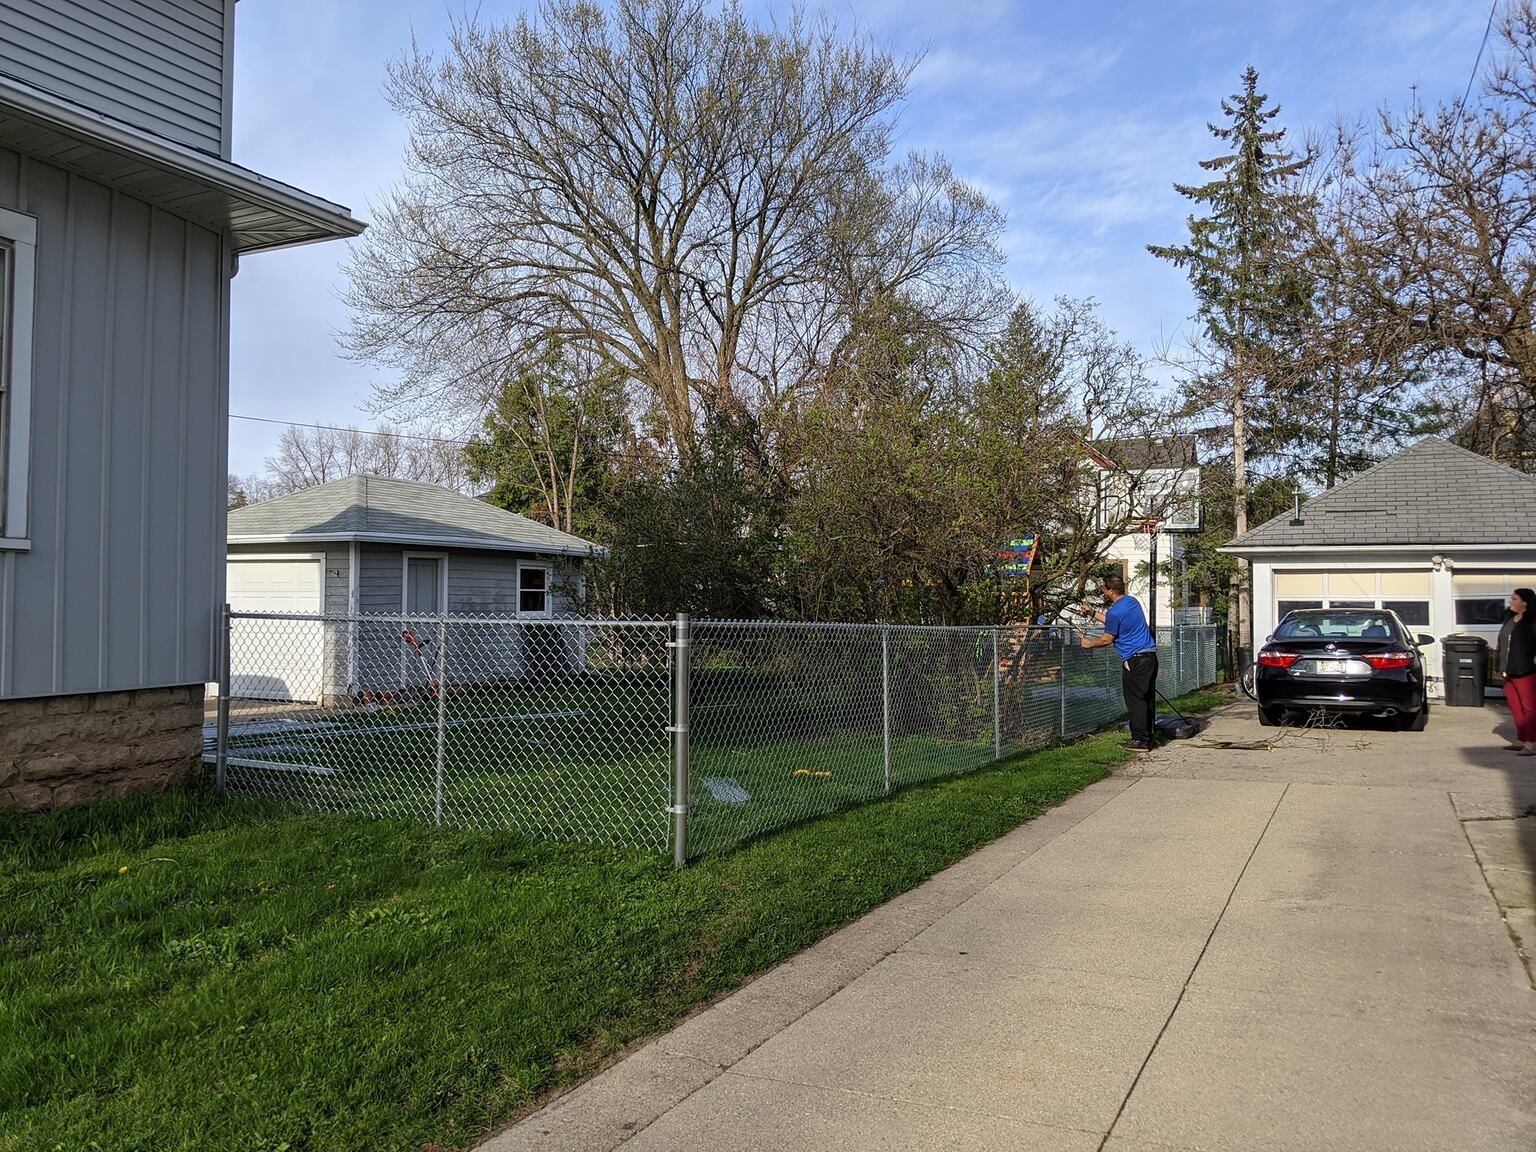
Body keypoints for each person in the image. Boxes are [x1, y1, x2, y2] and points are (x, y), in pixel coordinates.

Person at [1079, 573, 1159, 751]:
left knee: (1135, 700)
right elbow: (1114, 622)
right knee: (1146, 698)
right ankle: (1148, 736)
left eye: (1104, 589)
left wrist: (1088, 643)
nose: (1103, 592)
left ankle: (1140, 740)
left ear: (1111, 590)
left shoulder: (1115, 611)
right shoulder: (1132, 602)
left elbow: (1107, 638)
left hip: (1135, 660)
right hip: (1150, 657)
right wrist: (1092, 613)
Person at [1497, 588, 1536, 756]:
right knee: (1515, 707)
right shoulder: (1510, 619)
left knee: (1529, 708)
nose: (1510, 602)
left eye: (1514, 599)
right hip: (1508, 670)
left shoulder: (1532, 622)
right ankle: (1521, 739)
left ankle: (1531, 743)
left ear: (1524, 602)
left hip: (1525, 670)